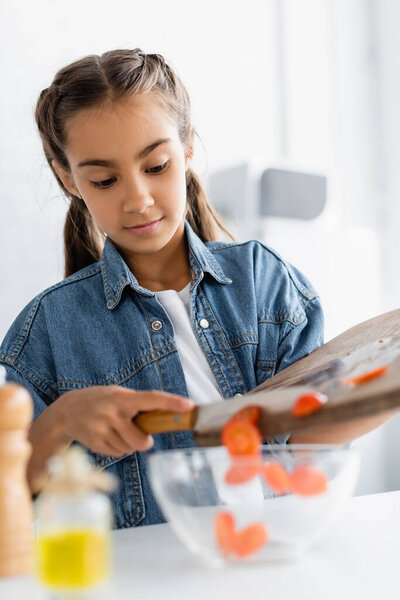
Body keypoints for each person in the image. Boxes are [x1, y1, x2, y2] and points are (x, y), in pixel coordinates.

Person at [1, 48, 387, 529]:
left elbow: (308, 441)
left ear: (186, 149)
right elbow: (10, 502)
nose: (137, 199)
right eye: (104, 179)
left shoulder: (263, 280)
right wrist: (58, 421)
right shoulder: (46, 332)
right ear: (69, 179)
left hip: (268, 563)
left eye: (156, 166)